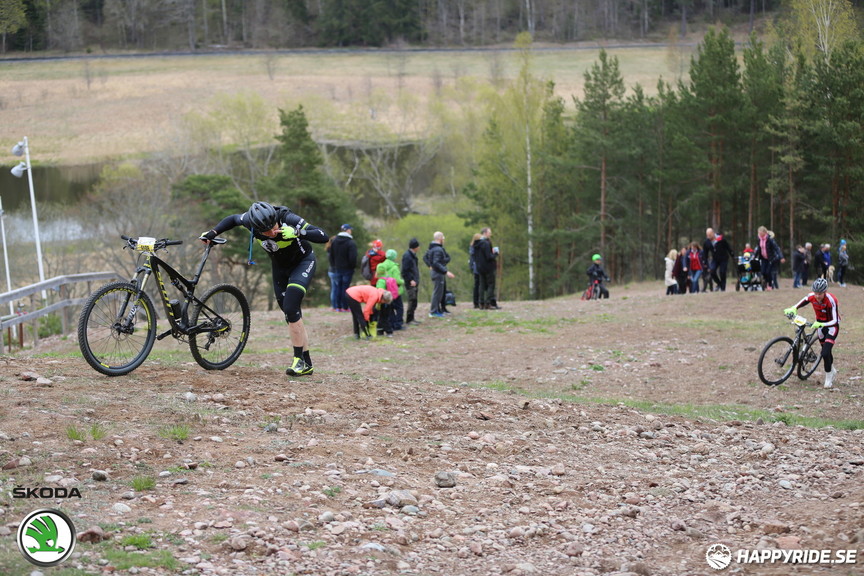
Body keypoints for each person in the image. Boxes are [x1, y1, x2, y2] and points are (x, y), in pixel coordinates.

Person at [200, 201, 328, 377]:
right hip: (279, 268)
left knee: (291, 308)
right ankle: (307, 363)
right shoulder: (249, 221)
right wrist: (213, 233)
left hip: (303, 262)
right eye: (265, 231)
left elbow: (323, 235)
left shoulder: (288, 218)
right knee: (291, 315)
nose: (271, 232)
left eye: (273, 227)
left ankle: (298, 360)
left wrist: (298, 232)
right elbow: (232, 219)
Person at [784, 278, 841, 388]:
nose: (817, 296)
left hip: (831, 327)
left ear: (825, 292)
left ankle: (829, 377)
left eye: (820, 293)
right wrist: (793, 308)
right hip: (819, 325)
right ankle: (832, 370)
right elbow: (802, 302)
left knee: (824, 353)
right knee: (827, 352)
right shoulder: (812, 296)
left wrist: (822, 324)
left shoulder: (831, 300)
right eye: (815, 293)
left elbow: (836, 320)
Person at [327, 223, 357, 312]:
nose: (351, 231)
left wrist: (333, 265)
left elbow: (330, 255)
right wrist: (352, 267)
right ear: (347, 230)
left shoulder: (334, 241)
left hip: (336, 268)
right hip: (347, 269)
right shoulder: (351, 243)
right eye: (350, 229)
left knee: (337, 288)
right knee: (345, 288)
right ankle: (345, 307)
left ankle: (337, 307)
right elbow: (353, 258)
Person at [375, 249, 405, 332]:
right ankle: (398, 324)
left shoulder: (382, 265)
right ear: (394, 257)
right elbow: (397, 280)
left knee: (390, 308)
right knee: (399, 308)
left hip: (386, 292)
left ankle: (392, 323)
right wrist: (403, 281)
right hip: (396, 291)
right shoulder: (394, 267)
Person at [426, 231, 455, 318]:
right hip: (438, 273)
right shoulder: (438, 249)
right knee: (437, 293)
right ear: (440, 238)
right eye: (443, 238)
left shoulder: (433, 248)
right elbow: (436, 263)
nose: (444, 240)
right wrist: (446, 272)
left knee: (439, 292)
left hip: (437, 273)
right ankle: (434, 311)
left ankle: (436, 310)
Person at [474, 227, 501, 309]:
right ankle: (488, 303)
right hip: (488, 267)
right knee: (490, 285)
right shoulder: (486, 243)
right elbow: (488, 257)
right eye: (489, 232)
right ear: (485, 233)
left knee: (481, 285)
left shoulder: (477, 243)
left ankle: (481, 303)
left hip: (480, 267)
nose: (490, 234)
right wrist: (495, 254)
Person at [401, 238, 421, 325]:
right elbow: (404, 271)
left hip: (415, 281)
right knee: (412, 299)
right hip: (411, 282)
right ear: (415, 247)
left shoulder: (413, 256)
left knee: (414, 300)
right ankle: (409, 319)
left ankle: (412, 318)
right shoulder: (407, 256)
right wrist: (410, 280)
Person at [754, 226, 781, 291]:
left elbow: (776, 248)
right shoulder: (759, 239)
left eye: (760, 232)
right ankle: (765, 284)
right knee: (763, 272)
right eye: (758, 232)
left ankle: (770, 285)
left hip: (770, 258)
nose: (759, 233)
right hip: (763, 258)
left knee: (768, 272)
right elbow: (758, 249)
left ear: (764, 232)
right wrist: (754, 256)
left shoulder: (770, 239)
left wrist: (781, 257)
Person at [468, 233, 482, 308]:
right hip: (478, 267)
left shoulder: (472, 247)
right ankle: (478, 301)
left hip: (475, 267)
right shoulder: (477, 247)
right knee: (479, 284)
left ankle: (476, 302)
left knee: (476, 285)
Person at [702, 228, 716, 293]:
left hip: (714, 260)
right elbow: (705, 253)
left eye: (710, 234)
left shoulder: (716, 240)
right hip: (708, 261)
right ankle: (707, 288)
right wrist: (705, 262)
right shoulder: (706, 242)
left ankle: (708, 288)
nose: (708, 236)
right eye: (707, 234)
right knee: (707, 275)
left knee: (710, 274)